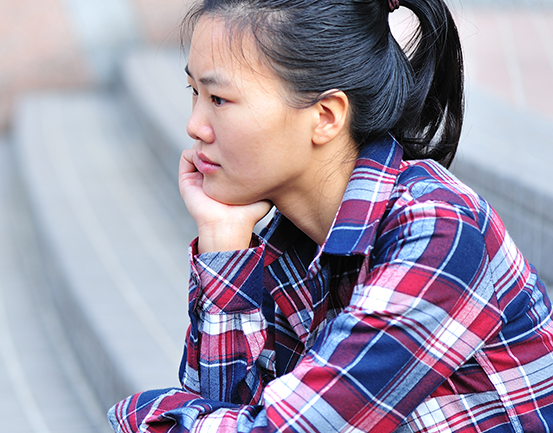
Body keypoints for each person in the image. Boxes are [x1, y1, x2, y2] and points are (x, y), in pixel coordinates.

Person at [109, 0, 553, 431]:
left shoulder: (437, 230)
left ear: (325, 117)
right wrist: (222, 236)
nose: (194, 126)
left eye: (220, 99)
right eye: (195, 93)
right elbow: (225, 406)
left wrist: (140, 415)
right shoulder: (292, 245)